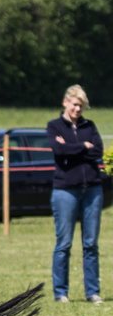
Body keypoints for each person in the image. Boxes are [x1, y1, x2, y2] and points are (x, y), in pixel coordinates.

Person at [46, 84, 104, 304]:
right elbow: (59, 152)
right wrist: (83, 146)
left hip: (92, 189)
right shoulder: (54, 126)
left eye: (81, 106)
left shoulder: (90, 126)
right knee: (64, 243)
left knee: (91, 243)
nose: (78, 109)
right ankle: (61, 293)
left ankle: (93, 292)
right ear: (65, 102)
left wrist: (73, 146)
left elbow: (97, 151)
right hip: (65, 191)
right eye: (75, 104)